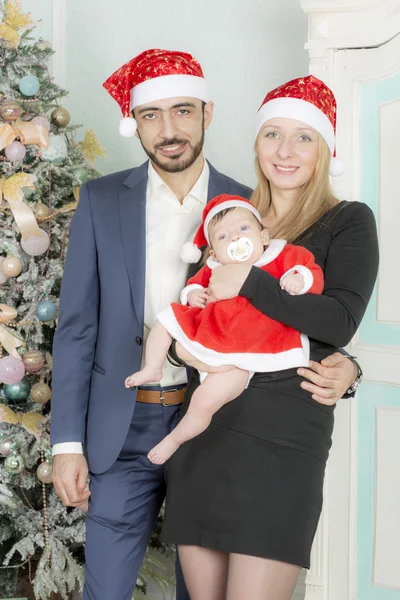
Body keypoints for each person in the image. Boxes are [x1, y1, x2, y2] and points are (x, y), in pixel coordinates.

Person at [49, 46, 360, 600]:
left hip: (224, 427)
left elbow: (293, 316)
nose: (169, 130)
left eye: (183, 111)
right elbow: (76, 326)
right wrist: (65, 442)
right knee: (106, 591)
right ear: (136, 125)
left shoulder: (252, 207)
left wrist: (348, 367)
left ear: (208, 114)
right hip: (124, 427)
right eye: (151, 114)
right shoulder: (101, 200)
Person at [160, 75, 380, 600]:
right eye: (272, 134)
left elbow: (338, 320)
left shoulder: (347, 221)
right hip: (206, 434)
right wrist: (176, 347)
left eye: (304, 137)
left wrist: (250, 282)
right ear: (256, 143)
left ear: (326, 149)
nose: (285, 151)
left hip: (283, 441)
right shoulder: (229, 217)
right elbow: (195, 310)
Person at [126, 194, 324, 464]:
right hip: (212, 333)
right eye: (222, 236)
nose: (234, 238)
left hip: (250, 351)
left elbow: (312, 272)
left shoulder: (282, 256)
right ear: (213, 252)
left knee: (205, 402)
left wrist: (299, 278)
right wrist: (193, 293)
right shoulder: (214, 267)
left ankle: (175, 438)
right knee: (167, 319)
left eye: (243, 229)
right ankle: (153, 366)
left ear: (264, 236)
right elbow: (196, 283)